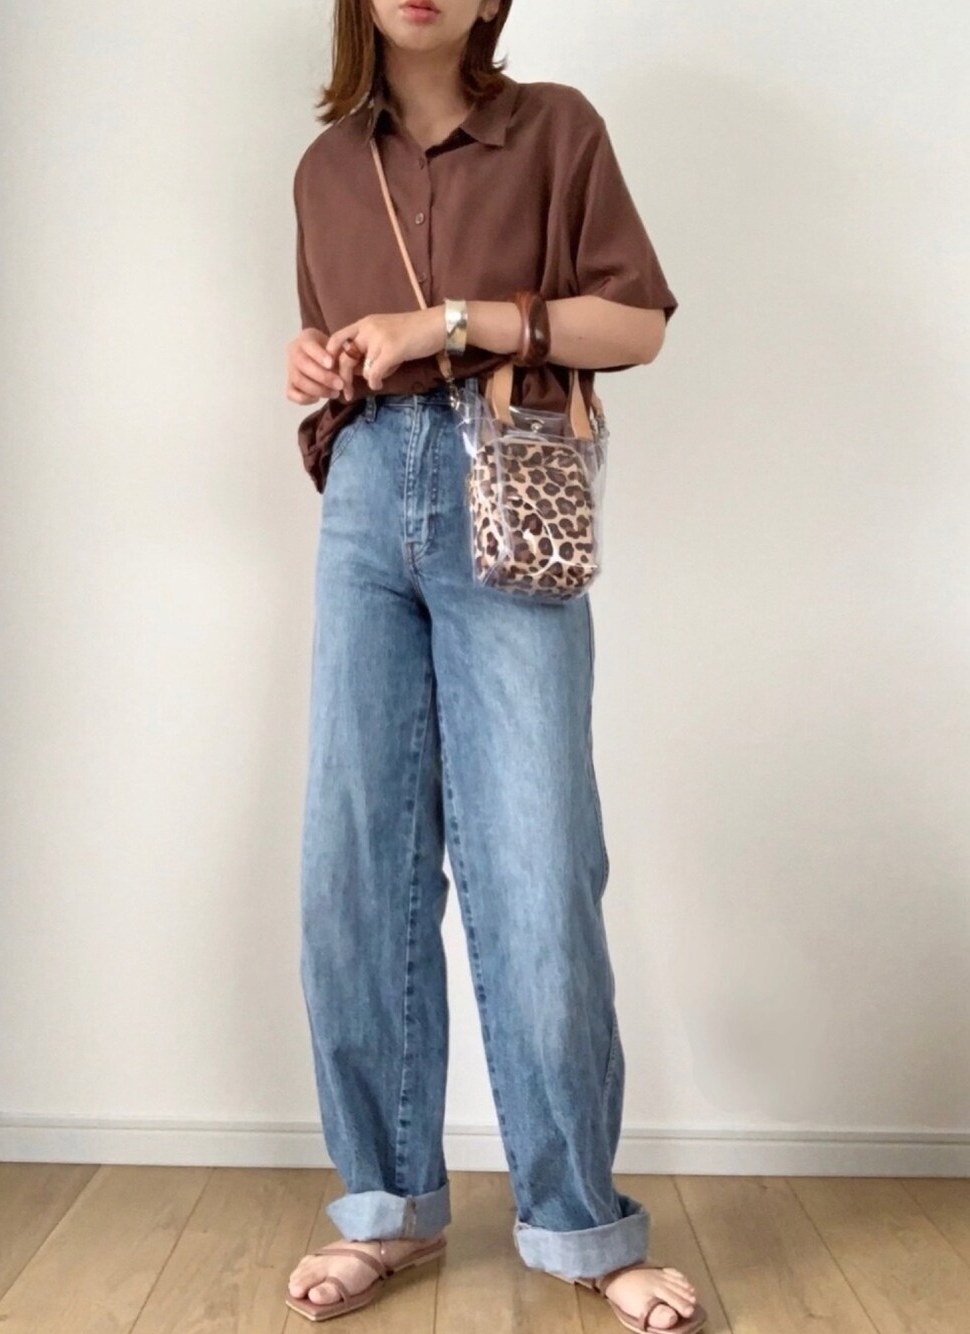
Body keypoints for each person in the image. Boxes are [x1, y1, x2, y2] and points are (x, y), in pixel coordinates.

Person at [284, 4, 704, 1331]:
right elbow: (341, 351)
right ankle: (385, 1207)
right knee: (354, 867)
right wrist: (321, 359)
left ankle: (579, 1222)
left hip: (508, 480)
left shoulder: (555, 129)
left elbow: (634, 325)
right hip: (366, 499)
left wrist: (445, 323)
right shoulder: (325, 170)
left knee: (537, 863)